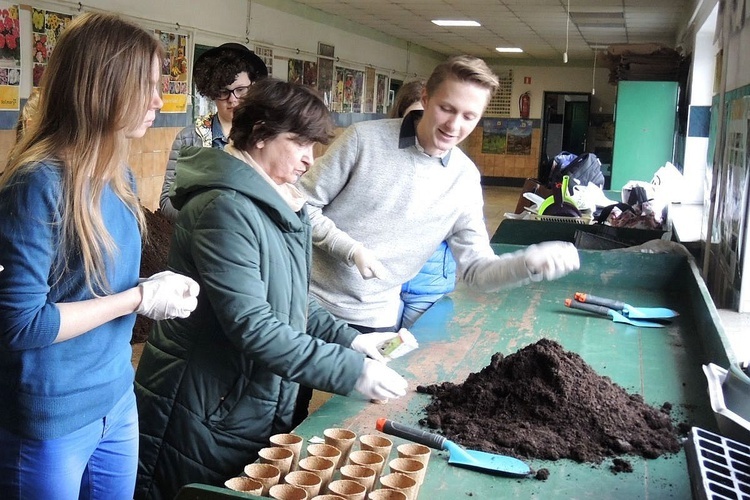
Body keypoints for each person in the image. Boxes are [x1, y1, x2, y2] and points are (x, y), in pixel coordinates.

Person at [134, 78, 408, 500]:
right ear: (260, 134)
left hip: (245, 398)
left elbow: (292, 303)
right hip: (204, 402)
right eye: (300, 143)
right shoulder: (224, 208)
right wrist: (352, 372)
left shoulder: (279, 201)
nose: (308, 159)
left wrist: (354, 341)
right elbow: (253, 325)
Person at [0, 12, 199, 500]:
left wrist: (159, 285)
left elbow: (101, 286)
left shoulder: (120, 177)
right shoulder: (37, 184)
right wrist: (137, 299)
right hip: (51, 420)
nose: (158, 100)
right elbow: (20, 324)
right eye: (146, 86)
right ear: (102, 87)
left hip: (115, 398)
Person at [298, 55, 580, 332]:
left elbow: (476, 272)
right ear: (425, 97)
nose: (454, 126)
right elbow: (298, 203)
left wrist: (526, 264)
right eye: (447, 108)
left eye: (469, 116)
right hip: (305, 300)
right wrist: (350, 249)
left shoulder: (464, 178)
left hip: (375, 316)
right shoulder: (363, 140)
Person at [159, 42, 268, 220]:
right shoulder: (188, 138)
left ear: (253, 87)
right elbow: (166, 202)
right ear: (211, 93)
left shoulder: (266, 138)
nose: (232, 100)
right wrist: (209, 217)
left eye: (240, 90)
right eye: (223, 92)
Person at [390, 80, 458, 329]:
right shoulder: (377, 158)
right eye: (414, 119)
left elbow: (469, 237)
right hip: (381, 287)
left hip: (428, 288)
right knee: (380, 353)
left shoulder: (457, 171)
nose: (422, 129)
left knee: (416, 354)